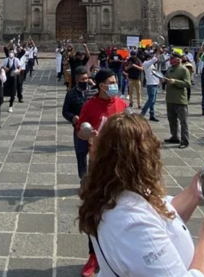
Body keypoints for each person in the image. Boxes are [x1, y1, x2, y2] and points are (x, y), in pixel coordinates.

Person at [79, 113, 204, 277]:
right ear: (144, 157)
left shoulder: (116, 189)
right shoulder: (133, 223)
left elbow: (164, 212)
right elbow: (146, 222)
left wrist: (193, 193)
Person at [76, 68, 128, 277]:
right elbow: (80, 131)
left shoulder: (122, 104)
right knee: (95, 209)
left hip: (122, 164)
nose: (115, 84)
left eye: (116, 81)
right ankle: (94, 255)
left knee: (123, 209)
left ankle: (122, 251)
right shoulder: (89, 106)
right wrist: (88, 134)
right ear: (101, 85)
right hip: (98, 164)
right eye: (111, 82)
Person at [62, 66, 92, 180]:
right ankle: (83, 179)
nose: (85, 81)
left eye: (86, 78)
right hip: (79, 129)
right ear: (77, 80)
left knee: (96, 156)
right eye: (82, 79)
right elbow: (65, 111)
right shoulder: (71, 94)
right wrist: (72, 117)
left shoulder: (94, 91)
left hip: (94, 129)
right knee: (81, 155)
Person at [162, 53, 192, 149]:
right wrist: (163, 81)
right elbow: (166, 78)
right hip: (170, 98)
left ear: (178, 59)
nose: (171, 60)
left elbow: (188, 83)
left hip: (180, 99)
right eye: (170, 58)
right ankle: (174, 136)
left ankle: (185, 141)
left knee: (183, 121)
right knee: (172, 120)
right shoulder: (170, 68)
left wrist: (176, 82)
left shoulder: (184, 70)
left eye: (173, 58)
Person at [141, 47, 161, 122]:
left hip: (155, 83)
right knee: (151, 100)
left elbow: (155, 72)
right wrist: (158, 51)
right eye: (150, 57)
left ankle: (152, 115)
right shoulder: (146, 64)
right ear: (147, 58)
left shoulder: (150, 65)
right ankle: (142, 113)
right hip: (151, 84)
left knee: (153, 100)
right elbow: (155, 59)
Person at [2, 49, 22, 113]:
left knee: (13, 91)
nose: (11, 53)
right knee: (5, 89)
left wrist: (18, 71)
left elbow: (20, 66)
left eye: (12, 52)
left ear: (14, 53)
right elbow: (2, 66)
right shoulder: (5, 60)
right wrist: (5, 68)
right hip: (7, 77)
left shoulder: (16, 60)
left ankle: (10, 106)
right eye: (10, 52)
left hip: (14, 77)